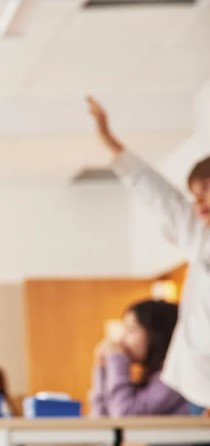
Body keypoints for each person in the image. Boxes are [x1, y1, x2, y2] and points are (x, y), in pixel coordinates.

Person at [87, 97, 210, 415]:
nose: (197, 206)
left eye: (205, 192)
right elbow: (163, 199)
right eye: (194, 196)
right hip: (197, 380)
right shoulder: (201, 238)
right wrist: (112, 145)